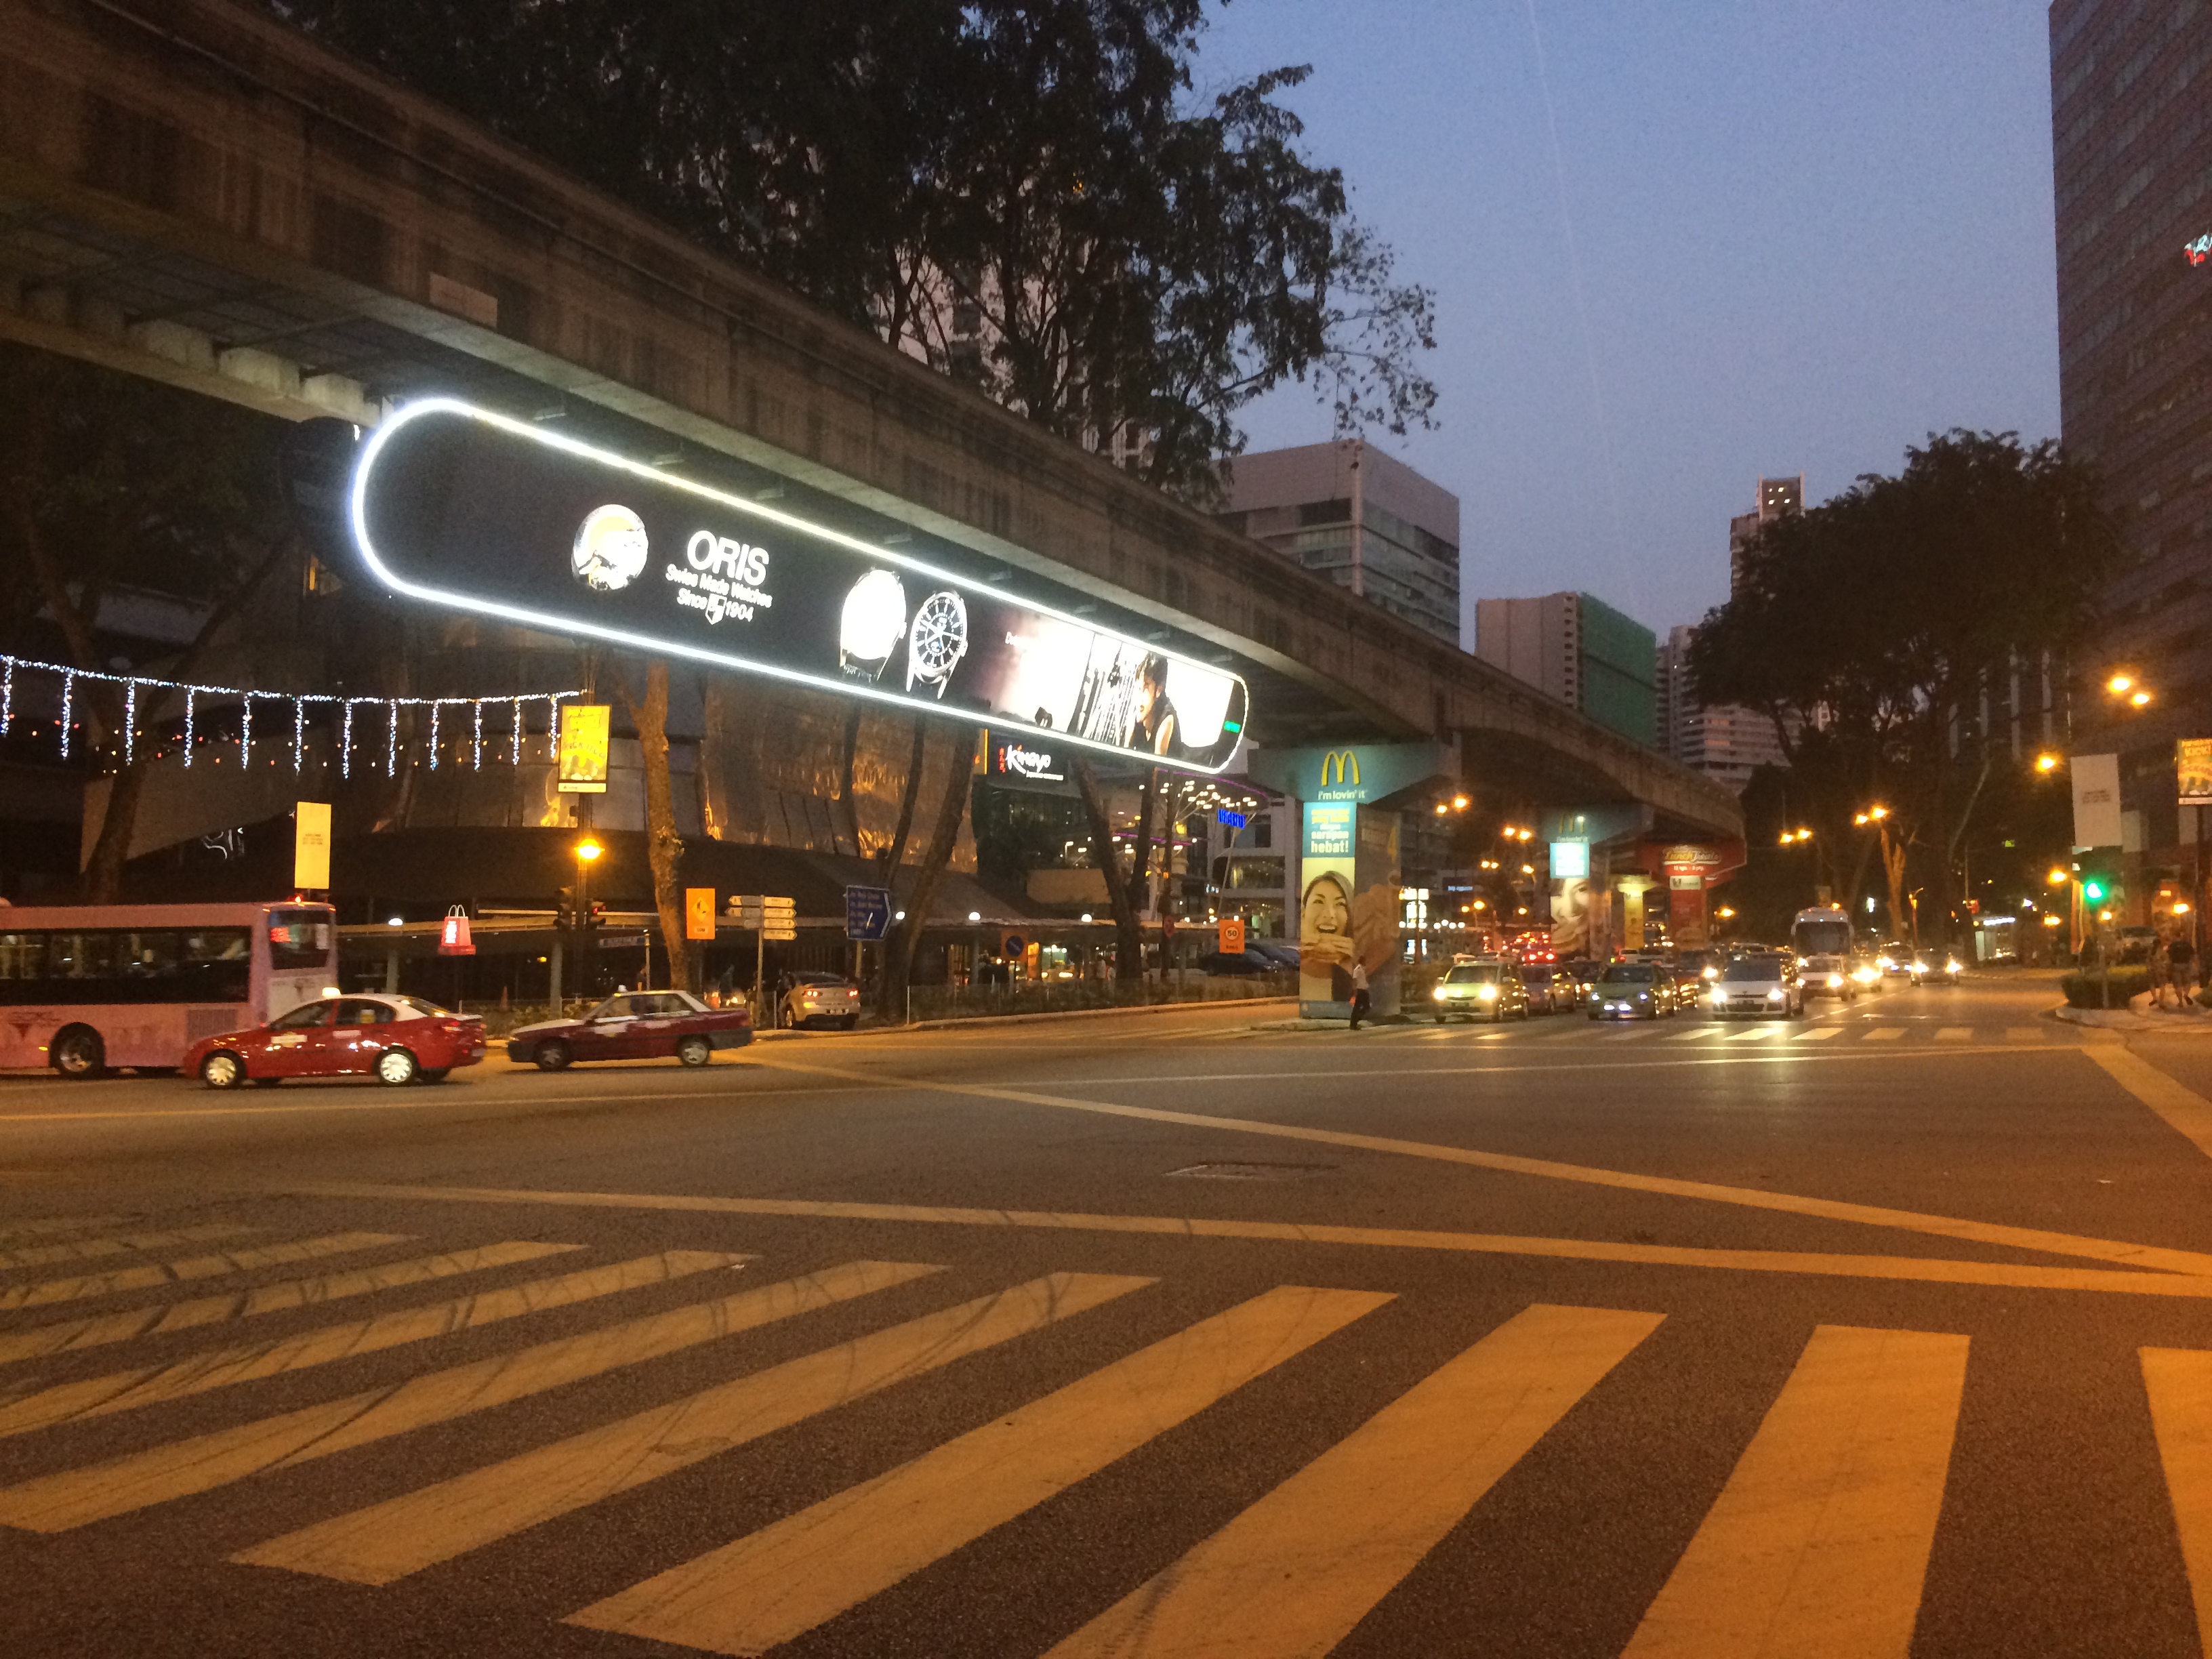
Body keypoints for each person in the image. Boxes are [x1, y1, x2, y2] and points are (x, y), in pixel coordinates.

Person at [2173, 933, 2198, 1010]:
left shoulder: (2173, 945)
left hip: (2176, 966)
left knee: (2177, 985)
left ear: (2175, 936)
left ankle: (2180, 1002)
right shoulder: (2187, 945)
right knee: (2187, 982)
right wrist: (2196, 963)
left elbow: (2168, 956)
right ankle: (2186, 995)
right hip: (2186, 965)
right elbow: (2193, 955)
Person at [1349, 959, 1372, 1030]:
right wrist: (1355, 991)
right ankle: (1353, 1024)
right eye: (1365, 961)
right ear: (1362, 961)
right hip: (1360, 990)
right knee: (1357, 1008)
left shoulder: (1363, 969)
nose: (1366, 962)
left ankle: (1357, 1019)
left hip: (1364, 990)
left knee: (1367, 1007)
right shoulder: (1357, 969)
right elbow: (1354, 980)